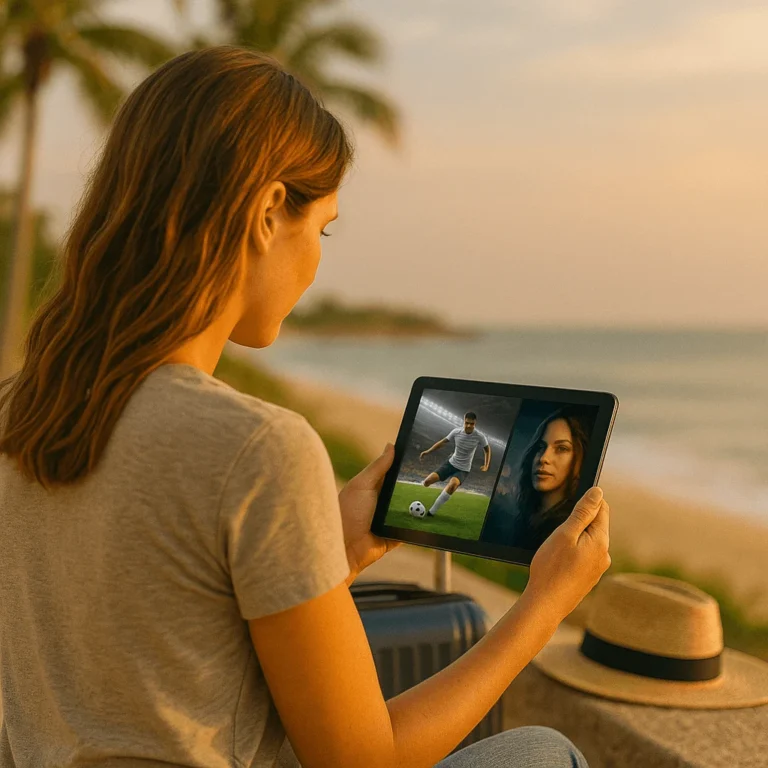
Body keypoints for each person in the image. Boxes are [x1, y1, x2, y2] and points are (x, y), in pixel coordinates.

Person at [0, 46, 610, 768]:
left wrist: (335, 551)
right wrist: (542, 608)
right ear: (266, 213)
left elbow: (158, 636)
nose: (318, 260)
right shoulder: (255, 448)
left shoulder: (24, 408)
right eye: (321, 229)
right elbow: (363, 761)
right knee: (544, 751)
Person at [512, 407, 593, 551]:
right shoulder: (524, 520)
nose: (543, 458)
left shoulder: (567, 531)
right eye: (540, 447)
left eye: (561, 448)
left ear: (579, 458)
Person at [418, 411, 490, 516]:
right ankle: (423, 485)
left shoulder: (480, 436)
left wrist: (486, 465)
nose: (469, 426)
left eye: (472, 424)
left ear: (475, 423)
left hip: (463, 469)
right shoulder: (456, 432)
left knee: (453, 485)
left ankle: (431, 512)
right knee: (427, 482)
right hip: (450, 463)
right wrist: (428, 451)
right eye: (467, 423)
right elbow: (442, 442)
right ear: (464, 421)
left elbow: (487, 450)